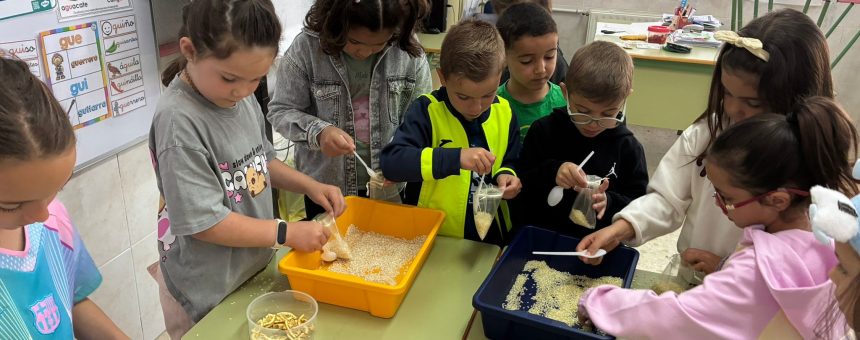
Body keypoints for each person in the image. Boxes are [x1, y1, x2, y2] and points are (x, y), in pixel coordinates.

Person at [577, 9, 835, 283]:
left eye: (753, 103)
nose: (734, 109)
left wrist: (727, 268)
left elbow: (803, 262)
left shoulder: (810, 163)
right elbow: (667, 198)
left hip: (754, 297)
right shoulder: (706, 134)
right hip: (695, 280)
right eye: (727, 93)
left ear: (796, 97)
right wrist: (621, 228)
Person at [580, 96, 858, 339]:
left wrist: (600, 301)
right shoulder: (830, 233)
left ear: (777, 199)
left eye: (728, 198)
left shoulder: (755, 270)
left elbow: (677, 317)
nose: (718, 203)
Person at [149, 1, 344, 338]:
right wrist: (284, 232)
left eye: (256, 79)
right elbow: (204, 223)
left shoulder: (238, 96)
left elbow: (262, 162)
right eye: (230, 78)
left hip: (248, 270)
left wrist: (309, 184)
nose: (242, 90)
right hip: (205, 290)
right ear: (190, 50)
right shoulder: (178, 122)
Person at [0, 57, 128, 339]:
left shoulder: (54, 223)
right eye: (9, 206)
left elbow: (72, 300)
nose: (42, 215)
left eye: (55, 190)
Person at [267, 0, 432, 215]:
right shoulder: (307, 48)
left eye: (377, 45)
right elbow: (281, 110)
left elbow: (421, 118)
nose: (364, 52)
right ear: (337, 24)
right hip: (326, 189)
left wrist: (405, 157)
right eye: (354, 41)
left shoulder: (406, 49)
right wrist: (320, 133)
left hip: (388, 186)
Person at [381, 20, 522, 245]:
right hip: (432, 235)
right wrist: (455, 157)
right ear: (443, 77)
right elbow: (392, 163)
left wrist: (508, 175)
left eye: (487, 95)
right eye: (463, 97)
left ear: (500, 77)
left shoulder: (504, 111)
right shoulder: (427, 111)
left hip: (487, 237)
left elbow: (512, 159)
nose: (476, 108)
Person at [517, 41, 647, 238]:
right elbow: (522, 184)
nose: (593, 124)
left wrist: (609, 202)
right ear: (565, 93)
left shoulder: (627, 148)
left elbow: (641, 204)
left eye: (608, 113)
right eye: (582, 112)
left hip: (598, 246)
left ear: (625, 100)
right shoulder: (544, 131)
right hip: (542, 236)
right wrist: (553, 171)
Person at [495, 2, 567, 140]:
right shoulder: (492, 104)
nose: (541, 69)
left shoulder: (565, 103)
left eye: (549, 56)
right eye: (527, 61)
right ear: (503, 57)